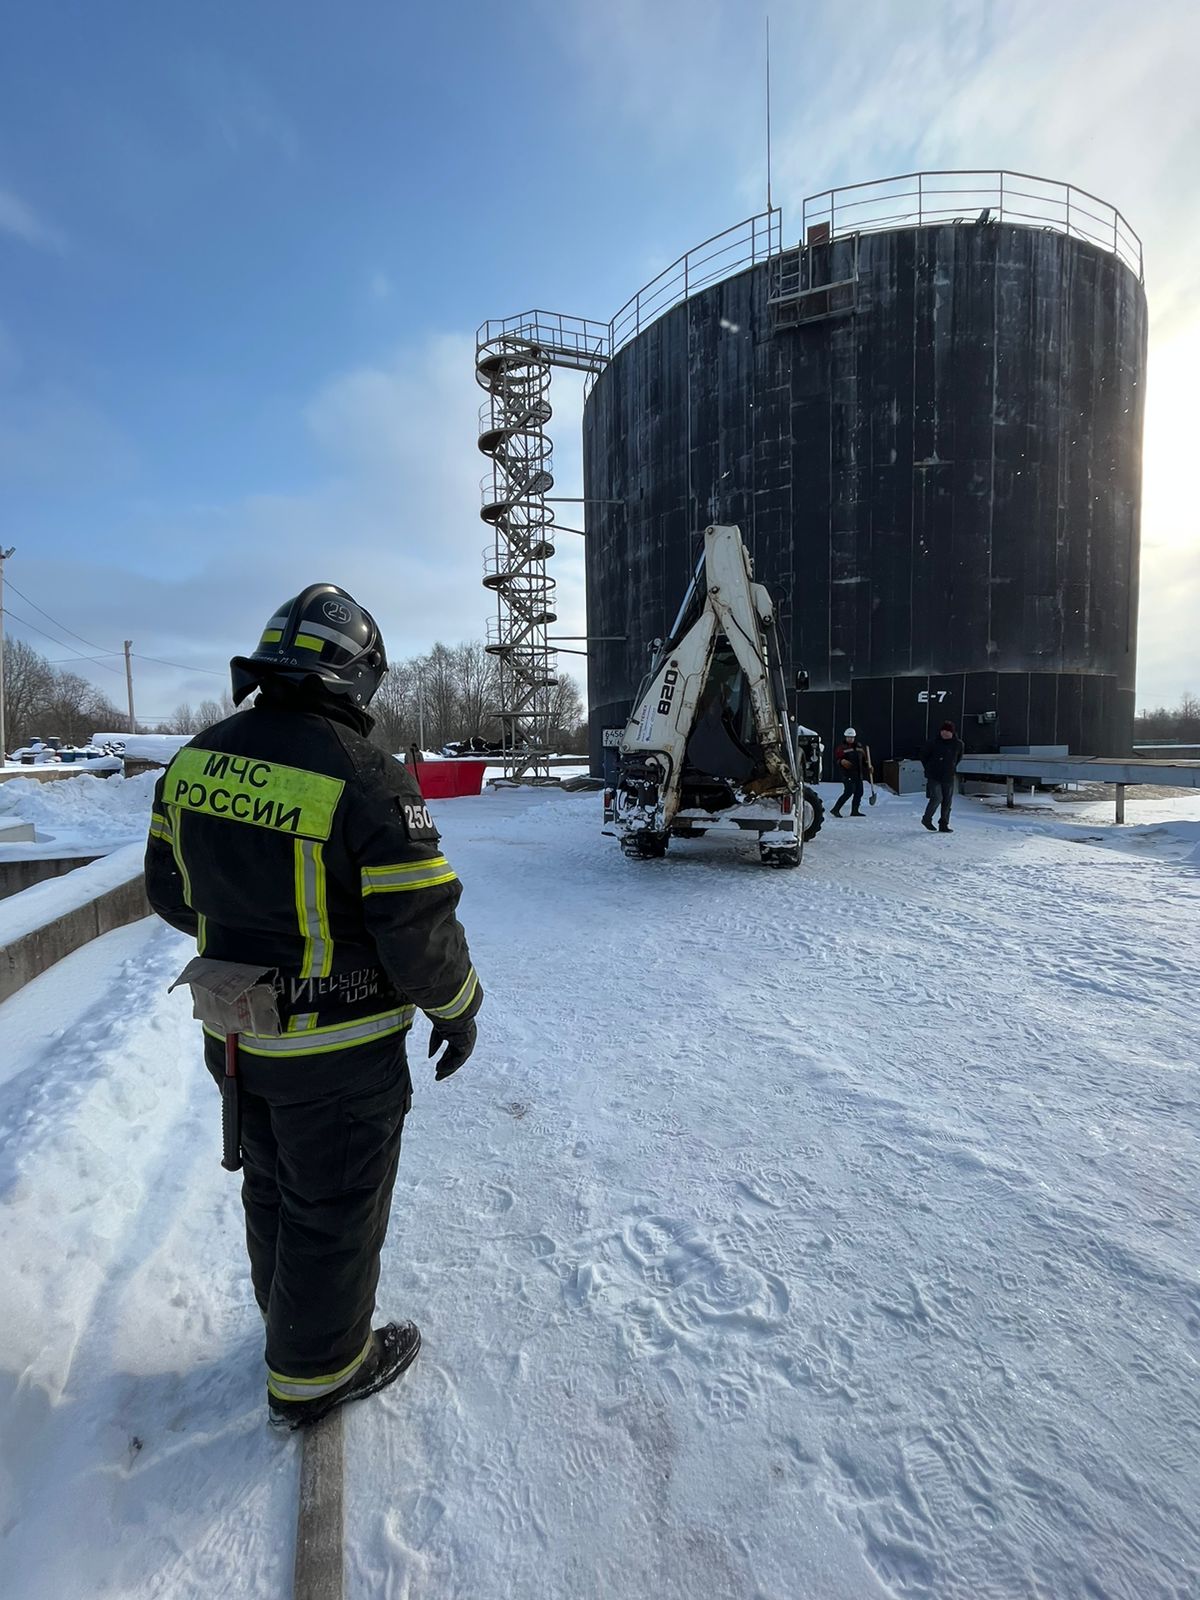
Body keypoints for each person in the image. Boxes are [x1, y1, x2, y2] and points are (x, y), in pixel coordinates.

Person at [144, 584, 482, 1429]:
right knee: (334, 1204)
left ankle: (285, 1319)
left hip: (237, 1034)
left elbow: (167, 894)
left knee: (274, 1184)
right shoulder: (366, 774)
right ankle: (318, 1371)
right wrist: (458, 1007)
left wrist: (251, 937)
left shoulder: (195, 759)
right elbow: (418, 928)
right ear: (355, 676)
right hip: (339, 1051)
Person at [921, 719, 965, 832]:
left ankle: (944, 824)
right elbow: (924, 757)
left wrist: (951, 767)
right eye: (943, 730)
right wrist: (930, 768)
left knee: (947, 801)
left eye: (948, 731)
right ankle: (926, 819)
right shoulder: (933, 742)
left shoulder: (958, 744)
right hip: (934, 775)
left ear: (952, 733)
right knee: (937, 798)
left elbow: (958, 758)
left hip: (948, 776)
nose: (945, 733)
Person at [830, 726, 873, 817]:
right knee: (849, 792)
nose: (850, 739)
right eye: (849, 737)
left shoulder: (859, 747)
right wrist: (841, 761)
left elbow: (864, 760)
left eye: (852, 737)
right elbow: (836, 759)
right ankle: (835, 809)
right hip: (847, 774)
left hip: (858, 774)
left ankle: (855, 811)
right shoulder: (841, 748)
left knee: (859, 792)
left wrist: (868, 767)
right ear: (845, 737)